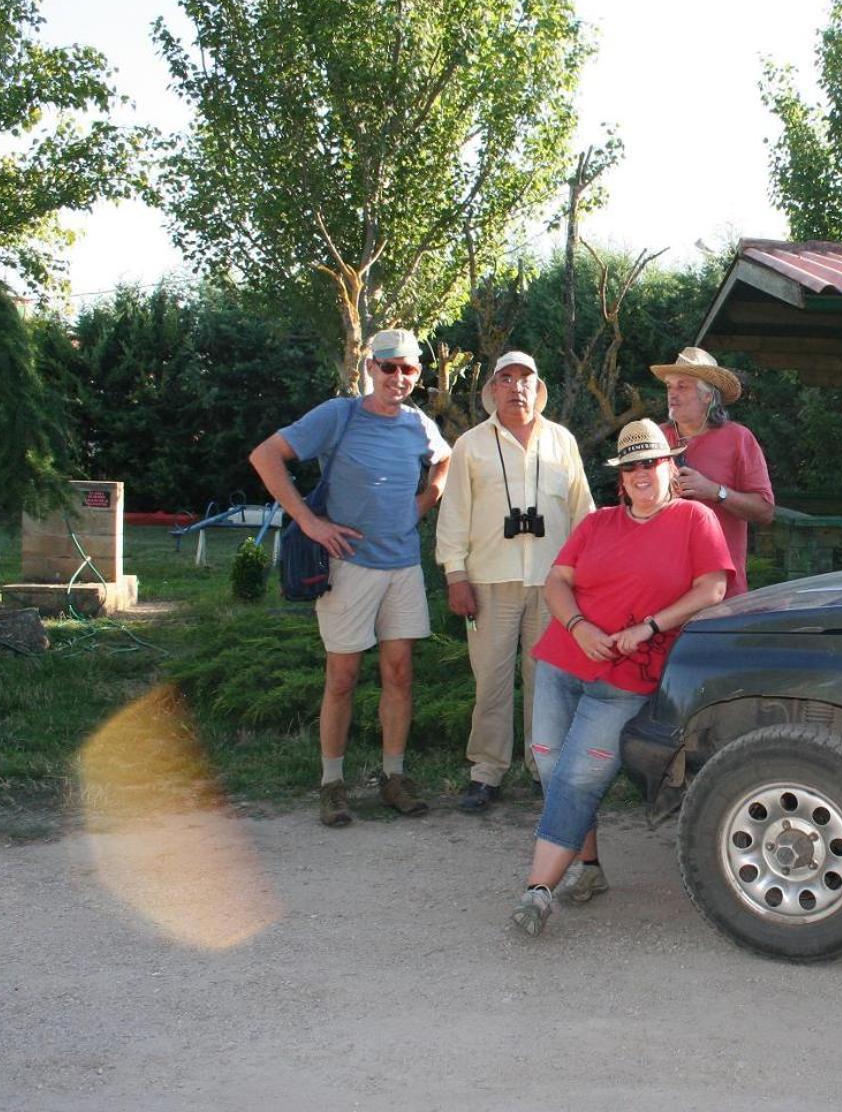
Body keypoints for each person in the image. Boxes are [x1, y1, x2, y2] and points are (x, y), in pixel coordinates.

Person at [509, 419, 732, 936]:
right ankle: (587, 869)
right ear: (621, 476)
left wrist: (650, 625)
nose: (640, 473)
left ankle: (538, 891)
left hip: (626, 676)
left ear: (670, 465)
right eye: (630, 465)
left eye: (649, 462)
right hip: (562, 661)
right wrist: (578, 624)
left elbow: (713, 588)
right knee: (551, 768)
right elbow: (558, 580)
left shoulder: (695, 518)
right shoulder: (598, 523)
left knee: (578, 776)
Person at [249, 328, 451, 827]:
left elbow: (444, 458)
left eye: (407, 368)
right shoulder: (338, 415)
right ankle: (332, 783)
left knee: (400, 673)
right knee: (341, 677)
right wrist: (309, 522)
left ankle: (394, 776)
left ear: (417, 375)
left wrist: (426, 499)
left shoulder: (418, 425)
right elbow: (265, 456)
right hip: (349, 565)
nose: (397, 377)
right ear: (370, 368)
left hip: (402, 565)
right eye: (388, 366)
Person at [435, 350, 593, 815]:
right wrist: (455, 575)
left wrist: (591, 574)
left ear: (539, 388)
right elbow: (453, 514)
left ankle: (546, 769)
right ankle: (486, 772)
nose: (517, 387)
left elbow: (583, 511)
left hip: (554, 583)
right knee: (491, 682)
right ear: (492, 389)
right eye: (506, 378)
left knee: (547, 683)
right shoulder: (470, 444)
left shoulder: (562, 441)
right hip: (488, 580)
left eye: (526, 378)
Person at [652, 346, 774, 596]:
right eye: (669, 387)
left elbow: (765, 511)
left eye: (682, 386)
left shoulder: (738, 438)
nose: (672, 395)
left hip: (721, 593)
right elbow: (628, 504)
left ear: (708, 396)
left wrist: (715, 491)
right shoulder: (654, 438)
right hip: (659, 588)